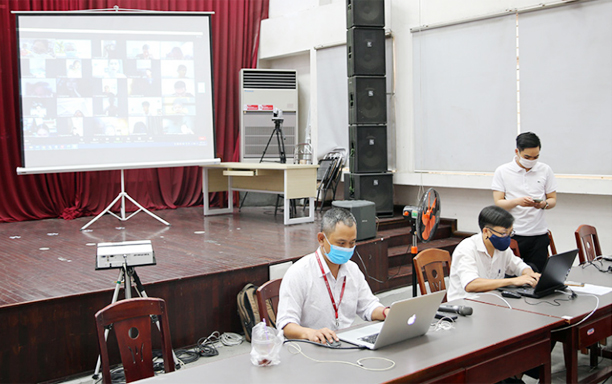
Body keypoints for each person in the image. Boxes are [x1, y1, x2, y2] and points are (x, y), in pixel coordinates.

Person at [276, 207, 389, 344]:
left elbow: (368, 306)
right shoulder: (299, 273)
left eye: (352, 243)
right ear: (321, 239)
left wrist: (386, 312)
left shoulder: (352, 269)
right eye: (341, 243)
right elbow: (285, 324)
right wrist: (311, 333)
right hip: (311, 347)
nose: (347, 249)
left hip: (346, 343)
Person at [492, 132, 557, 272]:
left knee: (538, 277)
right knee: (513, 277)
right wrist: (517, 202)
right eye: (527, 157)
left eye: (536, 157)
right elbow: (498, 202)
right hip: (514, 234)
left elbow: (552, 200)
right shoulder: (503, 171)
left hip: (539, 234)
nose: (531, 160)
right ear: (517, 151)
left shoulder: (545, 170)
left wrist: (543, 204)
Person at [447, 205, 541, 302]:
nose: (507, 238)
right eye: (503, 233)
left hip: (492, 302)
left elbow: (519, 266)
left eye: (510, 233)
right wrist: (513, 281)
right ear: (486, 231)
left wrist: (530, 275)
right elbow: (470, 285)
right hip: (465, 305)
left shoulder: (502, 249)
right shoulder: (466, 248)